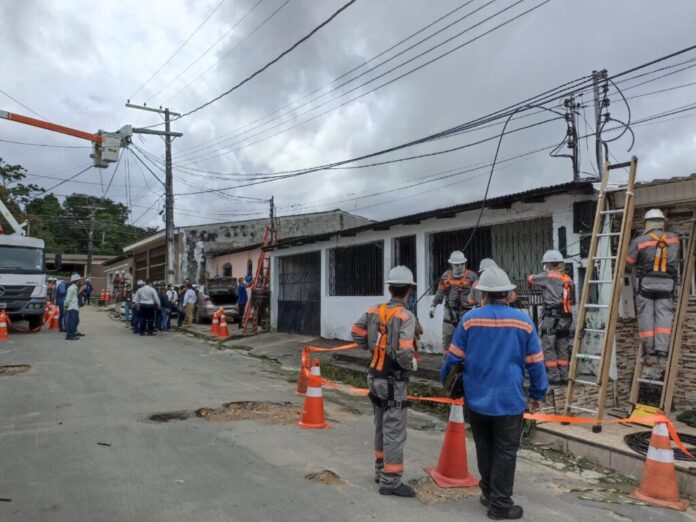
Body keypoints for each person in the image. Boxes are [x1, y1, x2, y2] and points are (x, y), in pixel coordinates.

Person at [441, 267, 547, 520]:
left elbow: (453, 357)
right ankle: (500, 505)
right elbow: (536, 362)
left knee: (484, 446)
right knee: (506, 451)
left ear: (483, 295)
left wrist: (445, 383)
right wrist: (537, 393)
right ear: (508, 294)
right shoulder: (523, 321)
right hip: (509, 401)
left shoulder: (470, 320)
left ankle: (489, 493)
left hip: (477, 400)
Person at [351, 266, 418, 498]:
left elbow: (356, 331)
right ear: (409, 290)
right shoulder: (406, 317)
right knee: (394, 431)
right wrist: (409, 365)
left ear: (390, 288)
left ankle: (381, 469)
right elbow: (405, 351)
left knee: (380, 424)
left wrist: (371, 348)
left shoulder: (373, 310)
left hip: (374, 376)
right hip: (393, 380)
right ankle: (390, 481)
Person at [626, 208, 681, 356]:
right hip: (667, 285)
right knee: (664, 316)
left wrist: (635, 242)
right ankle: (662, 348)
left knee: (646, 316)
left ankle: (650, 348)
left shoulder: (639, 241)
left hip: (646, 285)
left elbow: (629, 262)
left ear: (647, 223)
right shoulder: (674, 239)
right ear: (663, 222)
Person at [527, 250, 574, 385]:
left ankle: (553, 376)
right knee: (562, 345)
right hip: (566, 316)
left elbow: (531, 279)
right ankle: (564, 375)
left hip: (552, 316)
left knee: (549, 346)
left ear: (548, 263)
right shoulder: (568, 278)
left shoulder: (548, 276)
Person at [429, 250, 478, 354]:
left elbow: (478, 296)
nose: (460, 266)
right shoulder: (446, 276)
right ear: (451, 264)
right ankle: (447, 362)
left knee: (467, 339)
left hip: (466, 313)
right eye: (456, 264)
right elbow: (440, 292)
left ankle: (466, 364)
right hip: (449, 313)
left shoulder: (472, 277)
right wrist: (433, 306)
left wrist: (479, 310)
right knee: (447, 339)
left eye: (462, 264)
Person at [65, 273, 85, 341]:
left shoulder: (74, 288)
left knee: (75, 321)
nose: (80, 281)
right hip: (72, 307)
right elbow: (68, 298)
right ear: (77, 280)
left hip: (74, 307)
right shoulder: (71, 288)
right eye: (79, 280)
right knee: (71, 322)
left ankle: (72, 334)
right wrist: (65, 306)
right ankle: (70, 335)